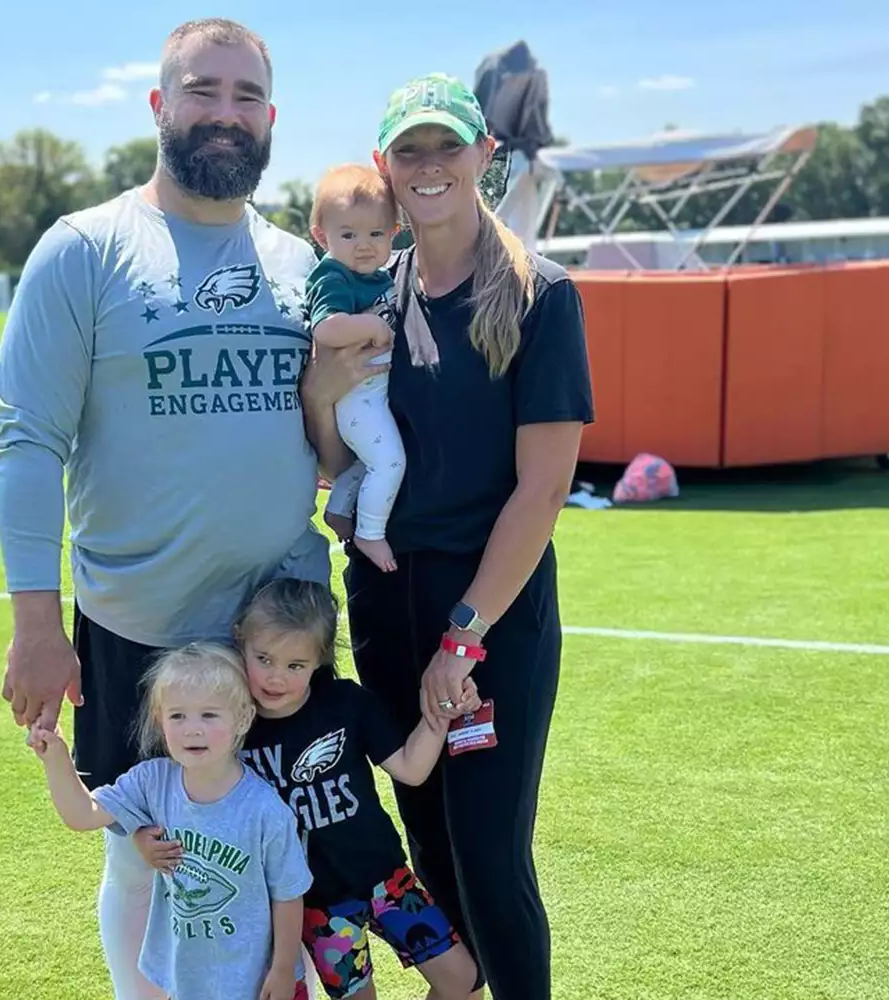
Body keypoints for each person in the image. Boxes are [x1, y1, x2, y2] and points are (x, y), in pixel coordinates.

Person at [0, 17, 381, 1000]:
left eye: (246, 97)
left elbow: (326, 450)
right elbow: (26, 439)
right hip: (143, 632)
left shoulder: (302, 267)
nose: (225, 113)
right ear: (160, 106)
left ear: (271, 119)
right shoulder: (85, 250)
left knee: (276, 852)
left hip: (277, 634)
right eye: (203, 91)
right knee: (150, 855)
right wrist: (36, 623)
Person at [311, 73, 595, 999]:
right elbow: (330, 459)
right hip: (388, 601)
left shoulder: (539, 295)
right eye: (409, 151)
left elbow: (544, 490)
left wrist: (463, 637)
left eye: (447, 147)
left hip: (489, 616)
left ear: (485, 155)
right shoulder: (369, 296)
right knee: (426, 838)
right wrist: (321, 384)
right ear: (386, 171)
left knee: (486, 849)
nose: (429, 166)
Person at [137, 578, 481, 999]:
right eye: (263, 658)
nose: (276, 677)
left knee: (462, 981)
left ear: (318, 661)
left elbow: (411, 769)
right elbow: (181, 789)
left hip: (386, 879)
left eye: (295, 666)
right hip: (318, 905)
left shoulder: (346, 704)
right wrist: (141, 836)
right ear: (239, 640)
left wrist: (441, 715)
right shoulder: (232, 724)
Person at [26, 642, 314, 1000]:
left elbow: (288, 893)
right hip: (187, 976)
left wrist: (284, 966)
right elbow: (83, 815)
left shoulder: (265, 810)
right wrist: (55, 759)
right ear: (160, 720)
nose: (192, 729)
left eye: (209, 715)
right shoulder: (152, 781)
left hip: (252, 979)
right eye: (178, 716)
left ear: (242, 718)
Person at [305, 165, 403, 573]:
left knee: (366, 462)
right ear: (321, 235)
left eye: (375, 234)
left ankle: (340, 509)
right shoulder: (333, 275)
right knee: (390, 462)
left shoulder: (378, 275)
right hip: (356, 396)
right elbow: (326, 328)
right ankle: (370, 532)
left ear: (394, 233)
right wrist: (373, 325)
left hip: (371, 393)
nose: (363, 245)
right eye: (348, 235)